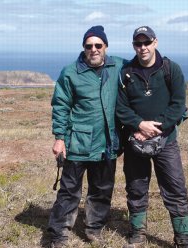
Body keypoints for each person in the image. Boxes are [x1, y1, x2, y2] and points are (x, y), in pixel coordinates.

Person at [116, 26, 188, 248]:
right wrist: (139, 125)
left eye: (146, 43)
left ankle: (183, 238)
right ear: (134, 46)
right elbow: (121, 108)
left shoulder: (171, 69)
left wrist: (154, 128)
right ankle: (137, 233)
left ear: (155, 43)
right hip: (135, 142)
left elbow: (178, 105)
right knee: (136, 187)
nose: (143, 48)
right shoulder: (126, 73)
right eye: (138, 44)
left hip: (166, 142)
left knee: (175, 188)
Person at [48, 25, 125, 248]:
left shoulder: (118, 65)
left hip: (108, 143)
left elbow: (142, 73)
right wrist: (60, 137)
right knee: (69, 192)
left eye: (98, 45)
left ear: (105, 47)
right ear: (84, 48)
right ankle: (59, 234)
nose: (93, 49)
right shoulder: (71, 72)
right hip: (78, 143)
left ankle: (94, 229)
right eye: (89, 46)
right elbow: (61, 105)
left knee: (102, 190)